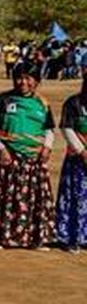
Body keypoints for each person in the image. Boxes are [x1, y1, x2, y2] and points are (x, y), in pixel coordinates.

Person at [0, 64, 56, 249]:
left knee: (34, 201)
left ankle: (35, 238)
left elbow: (49, 129)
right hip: (7, 158)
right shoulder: (2, 100)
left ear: (37, 81)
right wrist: (0, 148)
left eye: (28, 78)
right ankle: (2, 237)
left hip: (33, 161)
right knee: (6, 200)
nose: (23, 82)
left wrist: (47, 148)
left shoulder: (42, 103)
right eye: (19, 77)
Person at [57, 77, 87, 251]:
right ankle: (71, 237)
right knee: (75, 198)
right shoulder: (74, 103)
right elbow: (67, 128)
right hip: (78, 160)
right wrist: (82, 151)